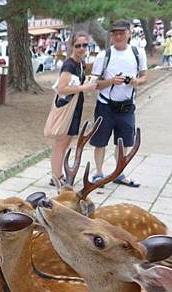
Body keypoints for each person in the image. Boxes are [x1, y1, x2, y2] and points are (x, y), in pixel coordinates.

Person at [90, 19, 147, 188]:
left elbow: (144, 77)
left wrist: (136, 81)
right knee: (100, 142)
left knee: (124, 143)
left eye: (122, 32)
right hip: (105, 105)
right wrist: (111, 81)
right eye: (115, 33)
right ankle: (99, 174)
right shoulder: (104, 56)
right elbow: (94, 84)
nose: (118, 36)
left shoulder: (138, 53)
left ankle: (119, 173)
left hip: (127, 106)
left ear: (129, 33)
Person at [49, 32, 97, 187]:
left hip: (75, 107)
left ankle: (58, 174)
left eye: (85, 45)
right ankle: (56, 176)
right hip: (67, 107)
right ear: (72, 46)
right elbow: (62, 88)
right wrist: (85, 87)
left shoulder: (80, 63)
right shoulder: (69, 64)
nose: (82, 48)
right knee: (61, 142)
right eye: (78, 45)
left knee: (66, 141)